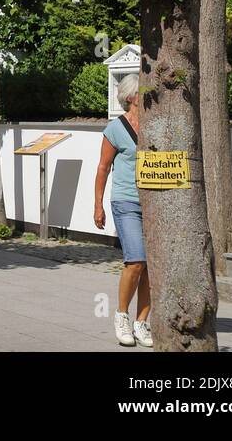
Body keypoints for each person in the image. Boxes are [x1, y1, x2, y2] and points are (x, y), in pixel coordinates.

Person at [95, 73, 152, 348]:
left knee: (152, 267)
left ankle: (142, 323)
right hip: (126, 200)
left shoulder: (155, 123)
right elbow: (103, 168)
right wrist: (98, 205)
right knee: (136, 261)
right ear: (131, 96)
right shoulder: (115, 129)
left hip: (154, 204)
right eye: (143, 92)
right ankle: (121, 316)